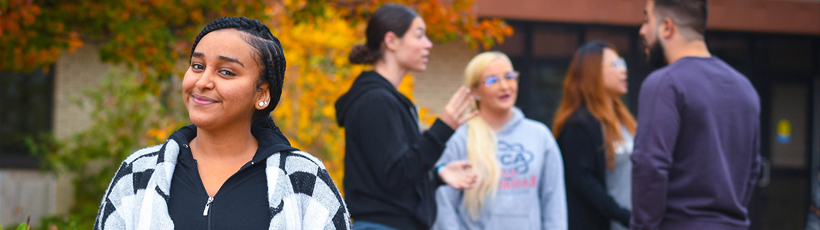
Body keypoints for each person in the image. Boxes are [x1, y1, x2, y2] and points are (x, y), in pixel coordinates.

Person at [94, 17, 350, 230]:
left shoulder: (304, 180)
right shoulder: (138, 174)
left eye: (226, 71)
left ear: (262, 94)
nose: (202, 81)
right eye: (197, 66)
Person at [334, 3, 478, 230]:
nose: (428, 44)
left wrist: (437, 175)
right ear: (391, 41)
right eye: (419, 36)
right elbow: (395, 176)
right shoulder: (375, 100)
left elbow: (394, 172)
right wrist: (443, 127)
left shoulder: (385, 98)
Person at [631, 0, 761, 229]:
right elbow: (753, 169)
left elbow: (650, 165)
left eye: (646, 20)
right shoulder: (745, 88)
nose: (641, 31)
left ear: (666, 27)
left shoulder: (665, 83)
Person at [431, 51, 567, 230]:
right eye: (492, 80)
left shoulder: (540, 136)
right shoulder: (459, 138)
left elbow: (554, 204)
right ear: (474, 91)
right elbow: (444, 207)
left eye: (510, 77)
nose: (504, 86)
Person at [552, 41, 636, 230]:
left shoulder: (624, 119)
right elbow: (585, 185)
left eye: (622, 63)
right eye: (615, 65)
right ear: (593, 72)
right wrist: (626, 217)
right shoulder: (578, 125)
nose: (623, 70)